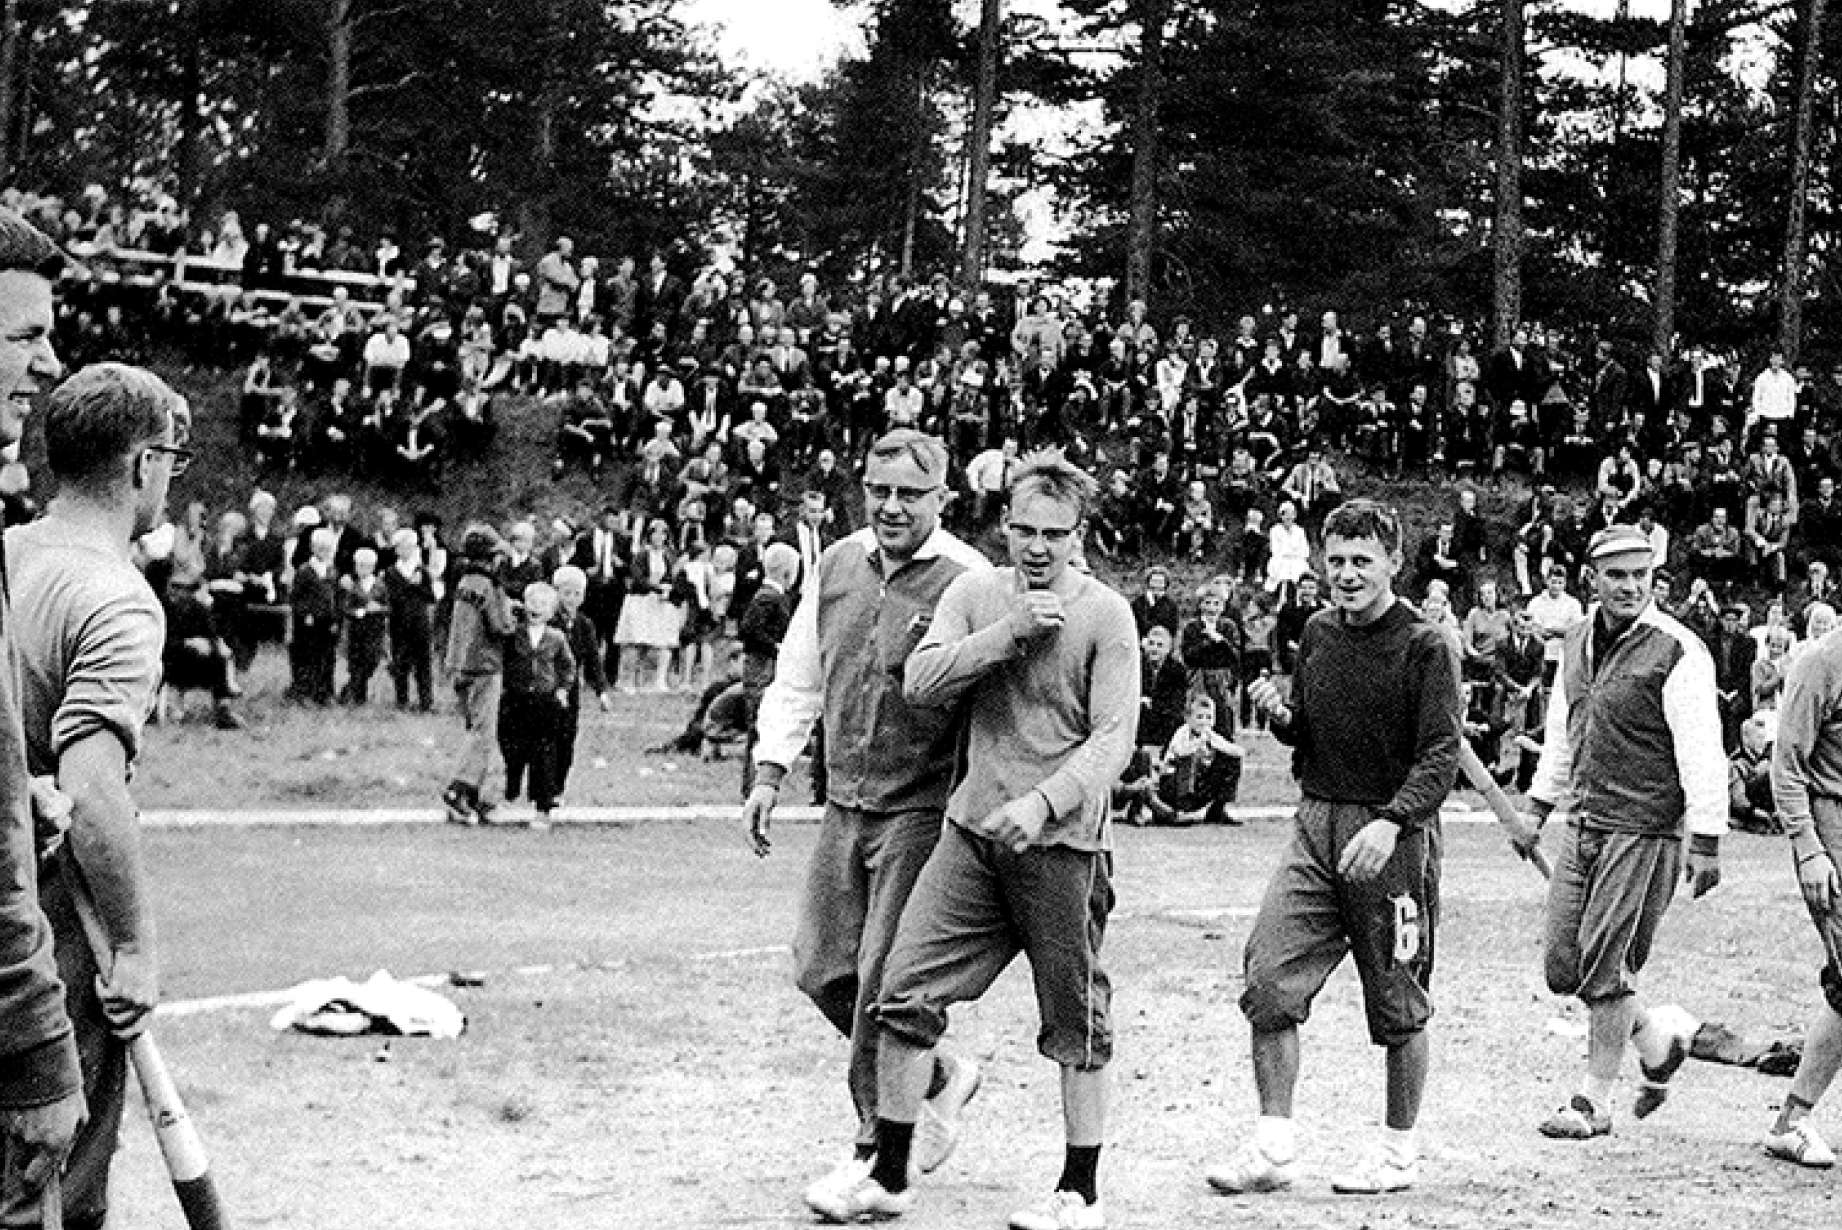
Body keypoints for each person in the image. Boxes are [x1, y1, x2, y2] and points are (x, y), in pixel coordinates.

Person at [812, 452, 1137, 1229]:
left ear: (1077, 534)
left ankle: (1079, 1193)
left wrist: (1044, 802)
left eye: (1053, 534)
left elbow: (1114, 738)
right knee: (901, 992)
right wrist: (1005, 635)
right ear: (1004, 525)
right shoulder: (976, 592)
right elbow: (920, 680)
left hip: (1063, 848)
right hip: (970, 836)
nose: (1036, 546)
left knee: (1075, 1021)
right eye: (1023, 529)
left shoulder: (1106, 614)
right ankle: (888, 1174)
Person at [743, 430, 992, 1219]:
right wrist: (769, 769)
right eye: (878, 490)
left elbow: (999, 703)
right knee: (821, 967)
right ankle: (940, 1071)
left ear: (941, 500)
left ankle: (874, 1152)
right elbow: (799, 673)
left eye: (909, 495)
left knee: (887, 986)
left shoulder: (971, 580)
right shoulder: (837, 563)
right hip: (844, 800)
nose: (890, 507)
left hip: (923, 811)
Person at [1210, 499, 1461, 1199]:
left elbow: (1441, 754)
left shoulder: (1426, 644)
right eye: (1337, 560)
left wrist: (1391, 822)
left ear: (1393, 564)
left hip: (1393, 839)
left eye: (1363, 561)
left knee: (1399, 999)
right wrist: (1283, 717)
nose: (1347, 574)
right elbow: (1313, 731)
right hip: (1315, 825)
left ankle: (1398, 1153)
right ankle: (1272, 1148)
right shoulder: (1318, 631)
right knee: (1268, 978)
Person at [6, 363, 192, 1229]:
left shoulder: (10, 551)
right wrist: (133, 945)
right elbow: (93, 792)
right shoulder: (116, 595)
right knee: (59, 1179)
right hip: (56, 923)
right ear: (142, 465)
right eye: (172, 461)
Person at [1519, 524, 1728, 1139]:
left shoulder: (1677, 649)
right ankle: (1655, 1039)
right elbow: (1563, 729)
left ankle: (1592, 1102)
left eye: (1641, 574)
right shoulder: (1578, 640)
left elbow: (1702, 751)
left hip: (1646, 828)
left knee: (1607, 966)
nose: (1630, 586)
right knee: (1565, 966)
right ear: (1592, 579)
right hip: (1585, 821)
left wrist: (1708, 839)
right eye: (1617, 574)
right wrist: (1537, 806)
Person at [1765, 610, 1842, 1166]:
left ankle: (1792, 1117)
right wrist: (1809, 848)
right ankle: (1791, 1122)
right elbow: (1787, 765)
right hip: (1831, 821)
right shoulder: (1820, 663)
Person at [441, 526, 516, 825]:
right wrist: (515, 618)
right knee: (484, 732)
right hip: (485, 664)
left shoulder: (463, 583)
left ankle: (478, 794)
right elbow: (499, 627)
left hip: (459, 663)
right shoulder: (489, 586)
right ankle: (459, 788)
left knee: (474, 726)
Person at [497, 582, 574, 825]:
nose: (535, 608)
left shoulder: (556, 638)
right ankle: (510, 792)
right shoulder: (514, 634)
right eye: (532, 602)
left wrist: (562, 690)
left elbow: (567, 666)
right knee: (512, 747)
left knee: (544, 753)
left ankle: (542, 806)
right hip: (516, 698)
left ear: (551, 612)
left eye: (542, 605)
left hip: (544, 701)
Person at [550, 566, 610, 803]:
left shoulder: (585, 625)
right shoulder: (549, 622)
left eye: (576, 594)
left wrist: (602, 690)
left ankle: (558, 788)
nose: (571, 599)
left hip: (572, 687)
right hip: (550, 686)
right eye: (566, 593)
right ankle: (545, 787)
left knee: (567, 739)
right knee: (548, 739)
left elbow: (593, 660)